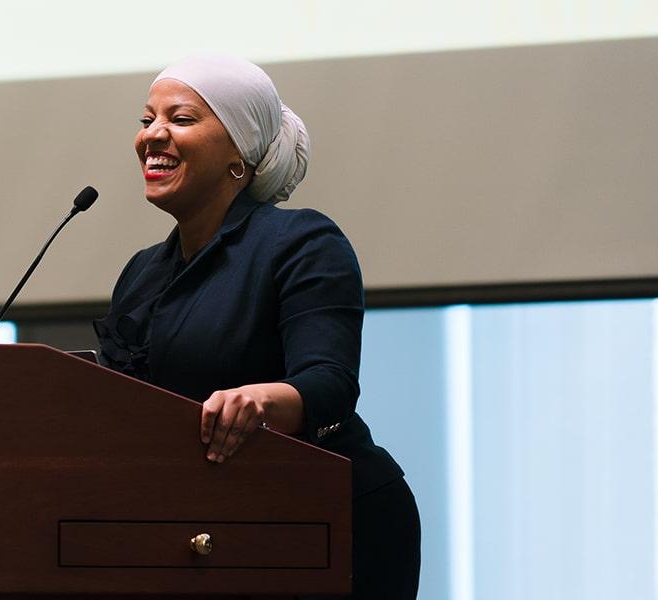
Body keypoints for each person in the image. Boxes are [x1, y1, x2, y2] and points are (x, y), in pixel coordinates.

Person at [94, 55, 421, 599]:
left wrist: (261, 400)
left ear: (239, 155)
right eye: (146, 119)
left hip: (329, 520)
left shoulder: (300, 242)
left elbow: (329, 382)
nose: (153, 135)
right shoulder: (142, 272)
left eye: (180, 119)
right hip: (205, 528)